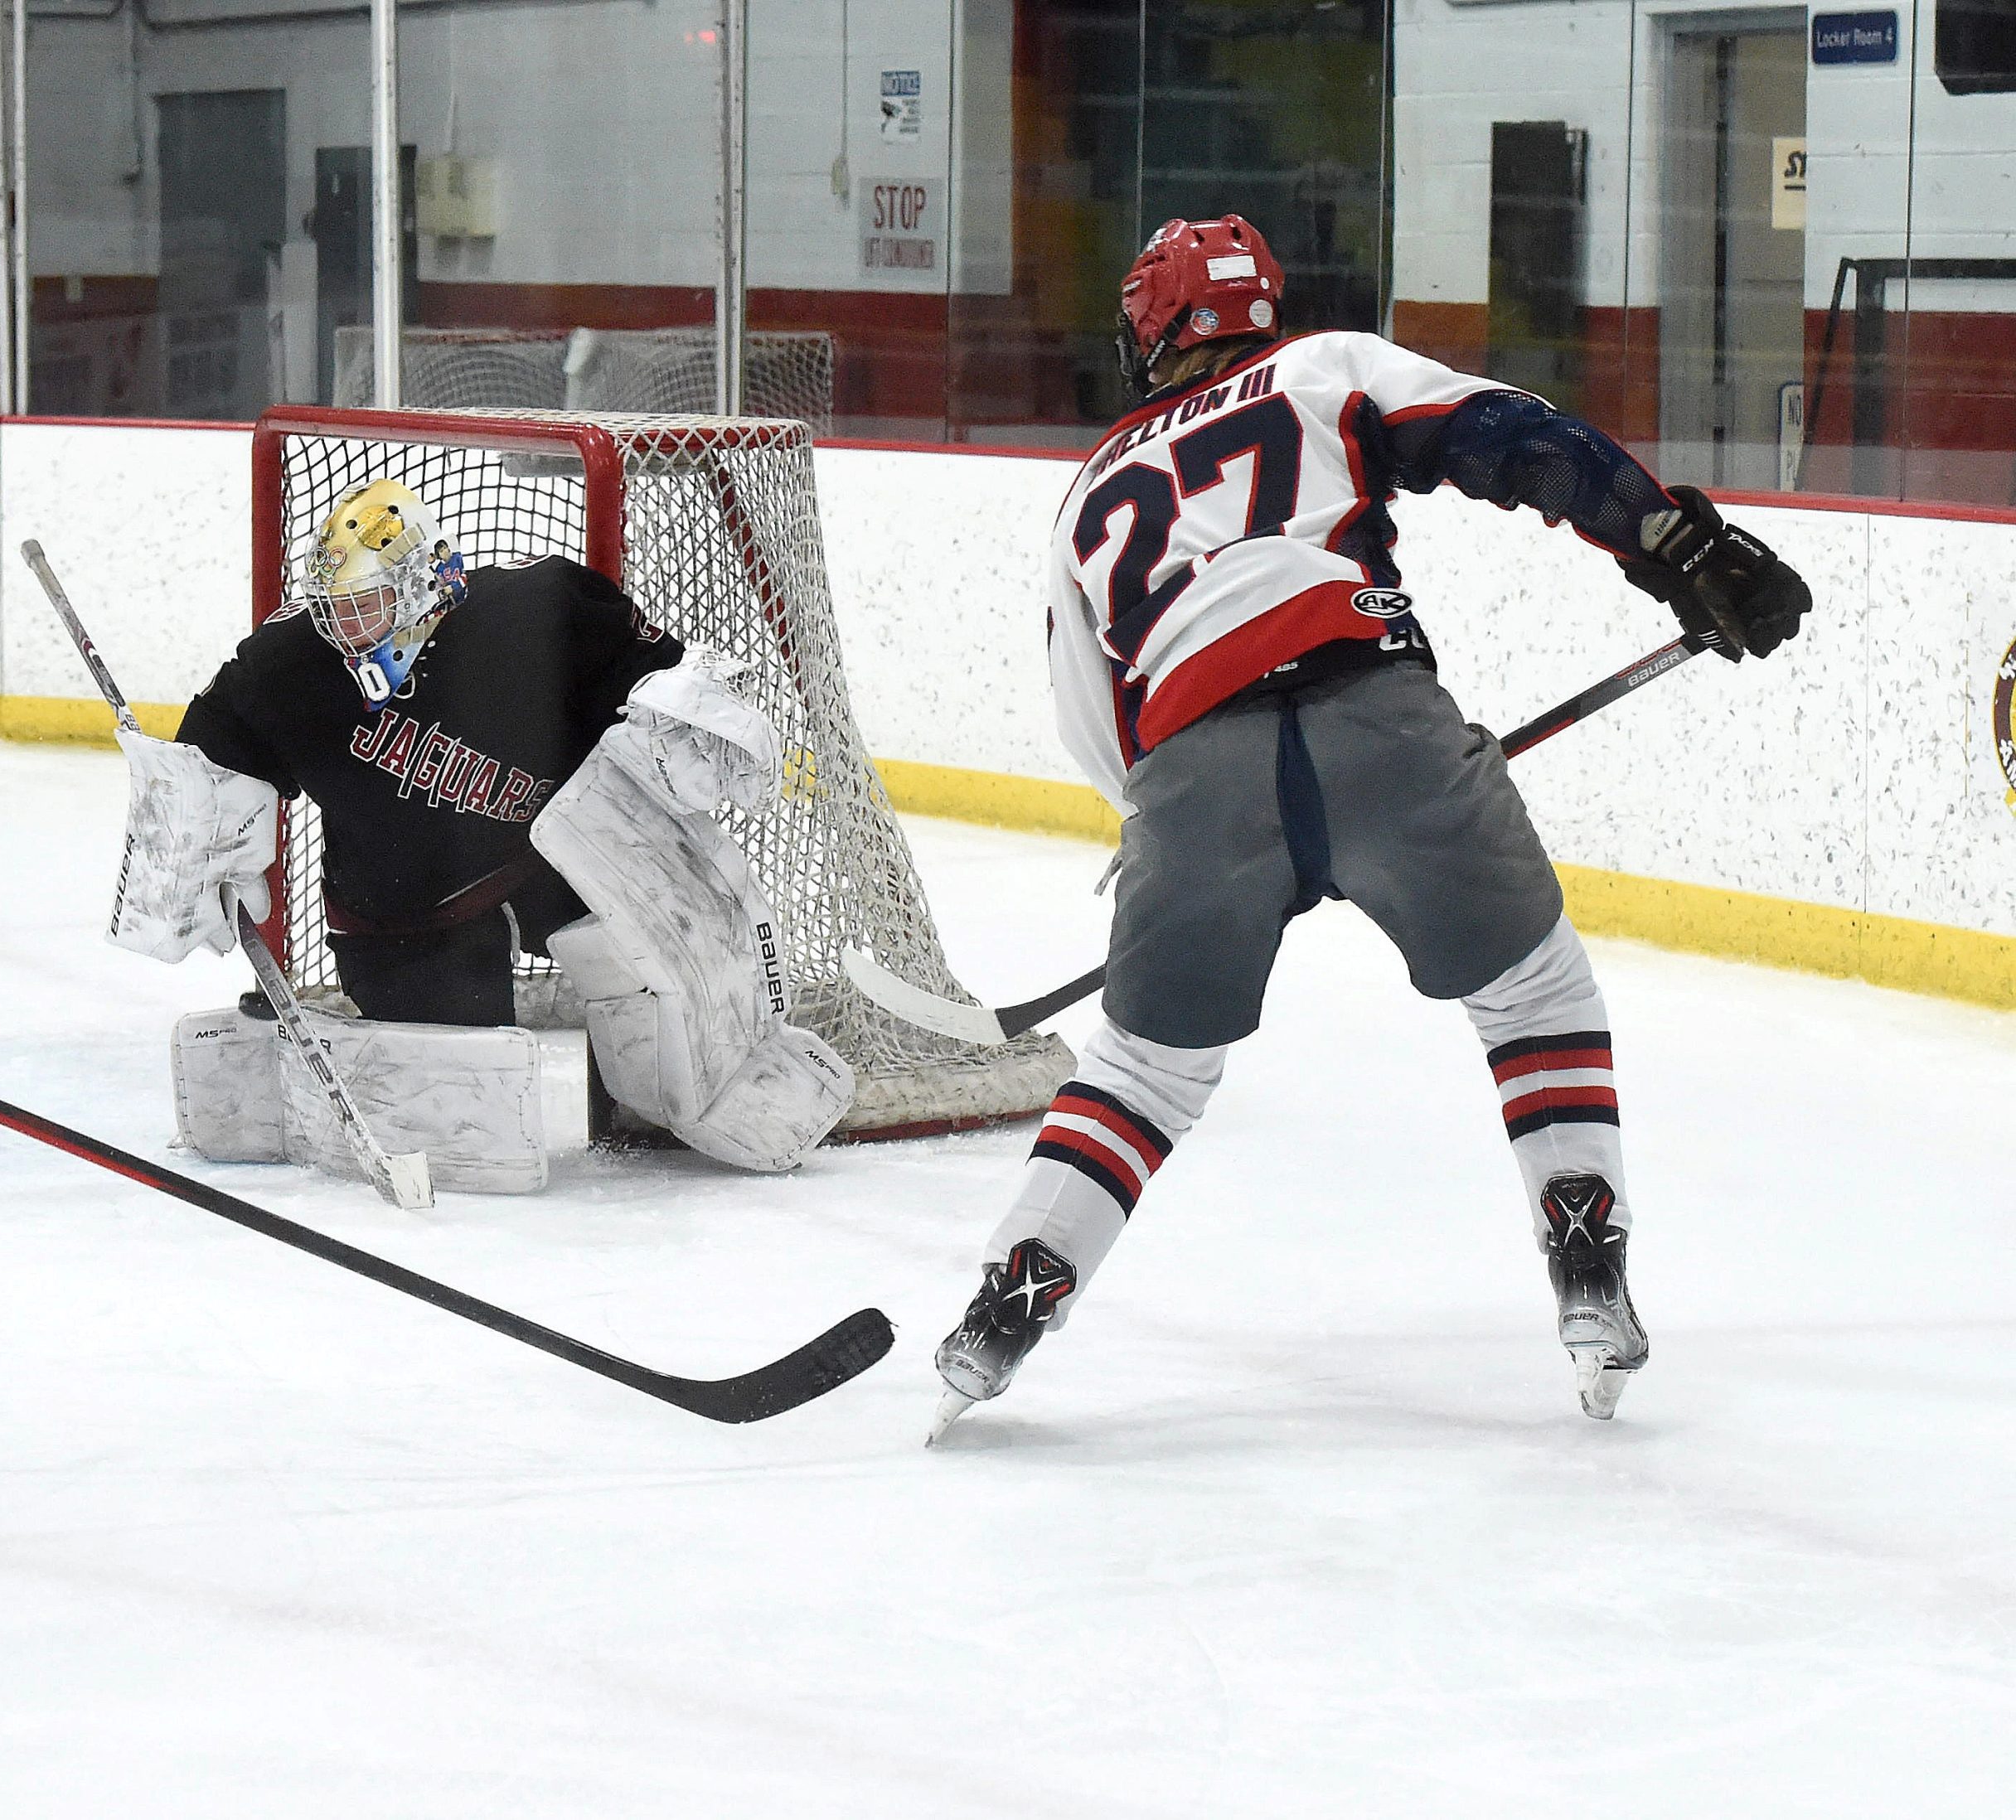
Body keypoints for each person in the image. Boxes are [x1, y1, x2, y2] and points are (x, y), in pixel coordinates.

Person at [929, 215, 1810, 1441]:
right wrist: (1673, 544)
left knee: (1142, 1072)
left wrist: (1172, 831)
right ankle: (1587, 1265)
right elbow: (1519, 440)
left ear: (1154, 329)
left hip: (1190, 776)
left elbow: (1094, 716)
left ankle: (1008, 1302)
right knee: (1535, 997)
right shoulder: (1326, 365)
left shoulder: (1089, 491)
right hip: (1380, 722)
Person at [108, 477, 851, 1191]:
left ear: (427, 584)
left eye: (366, 605)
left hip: (554, 859)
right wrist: (188, 837)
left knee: (659, 985)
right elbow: (206, 762)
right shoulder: (286, 666)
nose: (344, 631)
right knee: (462, 1093)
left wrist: (683, 708)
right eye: (333, 610)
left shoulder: (537, 612)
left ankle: (717, 1080)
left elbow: (657, 672)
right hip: (403, 904)